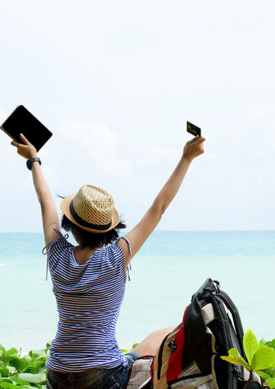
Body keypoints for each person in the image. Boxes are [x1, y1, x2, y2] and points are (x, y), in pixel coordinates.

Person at [11, 132, 206, 389]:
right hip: (102, 376)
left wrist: (33, 159)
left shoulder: (57, 255)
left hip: (57, 374)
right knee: (166, 333)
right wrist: (186, 158)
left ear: (69, 223)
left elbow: (45, 201)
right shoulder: (116, 257)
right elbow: (158, 208)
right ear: (109, 229)